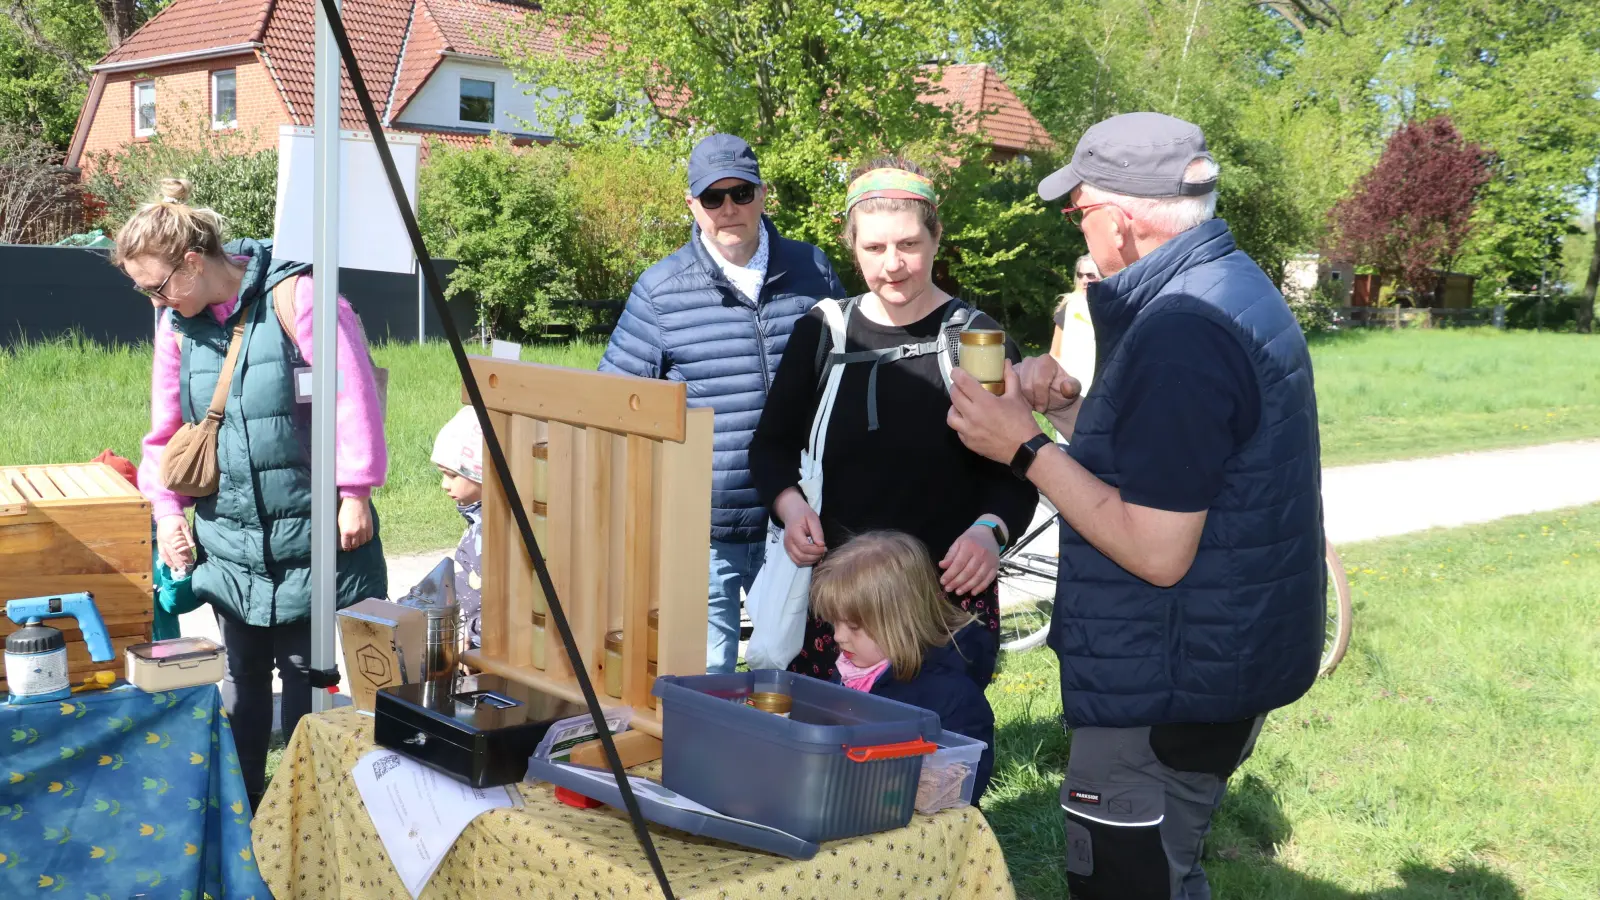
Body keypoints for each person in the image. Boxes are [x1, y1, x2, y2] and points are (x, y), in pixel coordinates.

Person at [947, 112, 1323, 900]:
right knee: (1166, 876)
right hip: (1208, 663)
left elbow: (1156, 549)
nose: (1074, 227)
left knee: (1129, 884)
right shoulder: (1223, 287)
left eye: (1076, 210)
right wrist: (1072, 417)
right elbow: (1181, 473)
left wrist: (1021, 446)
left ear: (1120, 218)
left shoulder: (1185, 330)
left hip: (1165, 680)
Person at [122, 178, 388, 811]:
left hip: (310, 537)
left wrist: (354, 491)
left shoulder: (301, 297)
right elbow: (164, 434)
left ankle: (304, 828)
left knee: (305, 695)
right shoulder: (174, 326)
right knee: (241, 686)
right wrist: (169, 513)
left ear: (193, 263)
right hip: (231, 544)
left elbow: (354, 398)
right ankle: (243, 825)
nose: (154, 302)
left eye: (158, 287)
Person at [749, 157, 1038, 688]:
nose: (893, 265)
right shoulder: (823, 332)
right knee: (834, 753)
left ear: (936, 237)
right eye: (874, 248)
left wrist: (989, 531)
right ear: (851, 244)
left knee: (934, 751)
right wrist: (790, 510)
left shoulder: (976, 340)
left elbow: (1018, 465)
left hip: (941, 597)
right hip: (841, 606)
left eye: (909, 244)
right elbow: (770, 447)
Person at [599, 134, 846, 674]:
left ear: (762, 195)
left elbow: (846, 376)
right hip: (705, 525)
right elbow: (616, 403)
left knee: (796, 668)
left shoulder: (813, 270)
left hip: (802, 517)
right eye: (713, 198)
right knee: (705, 673)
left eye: (741, 192)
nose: (728, 209)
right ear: (692, 205)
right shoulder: (660, 291)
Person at [809, 531, 996, 803]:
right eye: (833, 623)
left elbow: (967, 779)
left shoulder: (952, 693)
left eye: (853, 626)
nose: (838, 636)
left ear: (900, 622)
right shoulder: (850, 672)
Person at [431, 406, 484, 649]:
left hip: (483, 651)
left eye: (452, 475)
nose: (444, 485)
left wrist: (474, 639)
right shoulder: (478, 523)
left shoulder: (491, 533)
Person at [1050, 254, 1101, 391]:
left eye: (1090, 275)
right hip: (1070, 390)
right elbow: (1055, 354)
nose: (1084, 280)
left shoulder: (1115, 308)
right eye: (1080, 275)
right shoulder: (1068, 307)